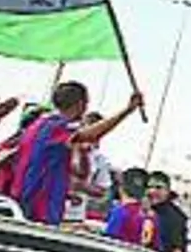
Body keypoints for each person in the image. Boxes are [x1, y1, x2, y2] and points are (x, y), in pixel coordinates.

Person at [11, 82, 142, 226]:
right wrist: (128, 110)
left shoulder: (38, 126)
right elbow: (89, 135)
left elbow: (74, 171)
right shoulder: (57, 126)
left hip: (27, 201)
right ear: (81, 104)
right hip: (38, 209)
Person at [145, 170, 189, 252]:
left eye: (158, 187)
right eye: (149, 187)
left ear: (167, 191)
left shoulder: (175, 217)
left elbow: (177, 251)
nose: (152, 191)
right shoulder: (141, 210)